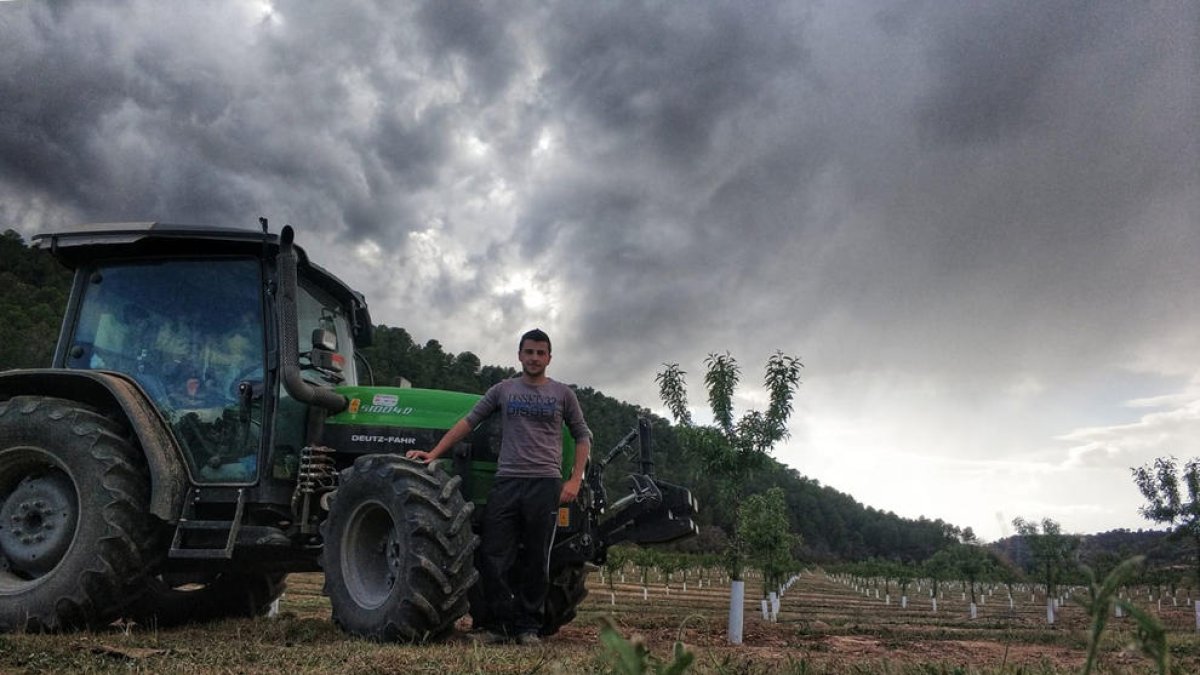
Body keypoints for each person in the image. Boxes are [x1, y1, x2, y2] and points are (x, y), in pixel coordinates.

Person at [406, 328, 592, 645]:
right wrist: (435, 453)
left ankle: (527, 628)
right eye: (529, 352)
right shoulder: (503, 390)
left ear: (549, 357)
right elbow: (469, 422)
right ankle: (495, 625)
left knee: (536, 557)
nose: (534, 358)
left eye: (540, 353)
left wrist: (574, 479)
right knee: (493, 554)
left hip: (545, 483)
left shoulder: (563, 394)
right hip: (506, 480)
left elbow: (582, 436)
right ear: (520, 355)